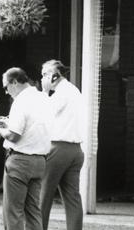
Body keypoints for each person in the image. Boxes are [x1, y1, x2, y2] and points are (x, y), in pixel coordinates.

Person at [0, 67, 50, 230]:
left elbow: (14, 136)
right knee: (33, 211)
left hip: (19, 160)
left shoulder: (20, 101)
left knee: (13, 211)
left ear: (14, 82)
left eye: (5, 87)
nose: (6, 92)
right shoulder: (42, 97)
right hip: (40, 160)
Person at [39, 60, 84, 230]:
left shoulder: (61, 93)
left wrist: (44, 91)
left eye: (45, 74)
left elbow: (46, 113)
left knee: (44, 194)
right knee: (72, 197)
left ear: (54, 75)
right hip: (75, 149)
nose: (42, 78)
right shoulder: (74, 90)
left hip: (58, 147)